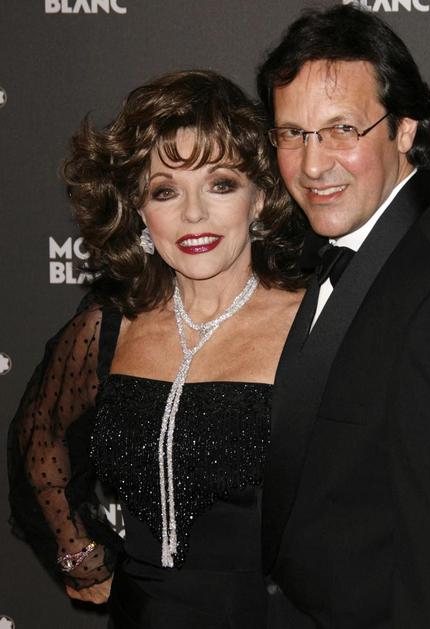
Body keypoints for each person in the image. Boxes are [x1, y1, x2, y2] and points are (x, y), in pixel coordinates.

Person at [7, 70, 310, 628]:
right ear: (138, 209)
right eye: (165, 190)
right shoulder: (110, 324)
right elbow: (39, 436)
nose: (193, 214)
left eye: (220, 184)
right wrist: (80, 557)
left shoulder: (311, 323)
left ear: (260, 197)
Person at [257, 4, 430, 628]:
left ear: (404, 130)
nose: (312, 165)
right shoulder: (333, 245)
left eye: (341, 130)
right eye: (292, 133)